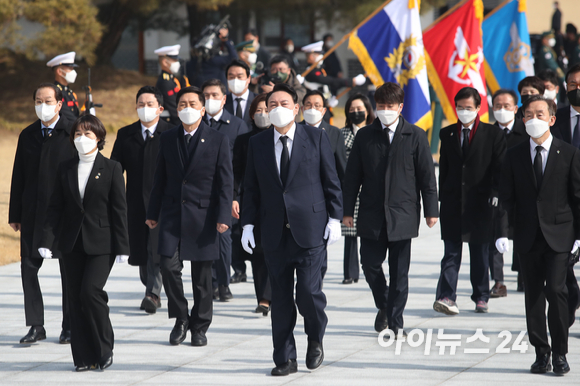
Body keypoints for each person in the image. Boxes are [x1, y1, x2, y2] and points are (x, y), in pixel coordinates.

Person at [241, 83, 342, 376]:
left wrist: (335, 218)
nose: (277, 109)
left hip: (310, 230)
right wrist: (247, 224)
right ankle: (285, 358)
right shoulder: (257, 144)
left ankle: (315, 337)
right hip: (273, 232)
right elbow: (251, 187)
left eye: (284, 103)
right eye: (272, 105)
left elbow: (330, 180)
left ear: (296, 108)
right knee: (282, 298)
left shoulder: (316, 137)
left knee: (308, 293)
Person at [343, 83, 438, 337]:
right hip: (371, 214)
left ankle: (396, 323)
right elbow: (352, 177)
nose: (385, 110)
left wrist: (432, 210)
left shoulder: (415, 135)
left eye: (390, 106)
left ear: (400, 107)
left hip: (402, 214)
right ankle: (384, 305)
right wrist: (347, 211)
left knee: (400, 273)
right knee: (370, 265)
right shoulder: (365, 136)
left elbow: (427, 177)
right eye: (381, 106)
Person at [496, 95, 579, 376]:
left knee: (556, 291)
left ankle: (560, 353)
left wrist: (578, 236)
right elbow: (507, 198)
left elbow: (577, 198)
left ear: (552, 119)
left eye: (540, 114)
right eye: (528, 115)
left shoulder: (568, 153)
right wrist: (502, 233)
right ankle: (541, 352)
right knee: (532, 295)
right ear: (522, 119)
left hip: (560, 235)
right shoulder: (514, 154)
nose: (534, 119)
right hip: (527, 234)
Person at [39, 114, 130, 371]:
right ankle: (83, 358)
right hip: (71, 243)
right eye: (78, 134)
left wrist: (123, 247)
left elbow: (119, 210)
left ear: (99, 138)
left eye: (88, 134)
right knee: (74, 300)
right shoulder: (65, 168)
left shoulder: (111, 168)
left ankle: (104, 347)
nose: (82, 139)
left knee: (90, 293)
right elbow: (55, 207)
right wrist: (47, 239)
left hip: (102, 243)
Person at [146, 86, 233, 347]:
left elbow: (225, 182)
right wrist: (153, 212)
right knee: (168, 267)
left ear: (203, 108)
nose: (187, 108)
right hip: (173, 215)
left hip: (204, 216)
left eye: (193, 103)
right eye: (182, 104)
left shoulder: (217, 139)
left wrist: (223, 215)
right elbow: (159, 177)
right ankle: (181, 318)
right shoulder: (169, 137)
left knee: (202, 278)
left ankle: (200, 326)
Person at [9, 83, 76, 345]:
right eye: (38, 100)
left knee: (68, 271)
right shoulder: (27, 134)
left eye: (48, 100)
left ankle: (69, 325)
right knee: (28, 268)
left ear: (60, 103)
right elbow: (18, 175)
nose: (42, 105)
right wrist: (15, 213)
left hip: (64, 214)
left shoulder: (72, 131)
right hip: (33, 213)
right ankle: (36, 325)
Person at [434, 87, 506, 315]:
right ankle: (447, 296)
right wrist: (441, 197)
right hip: (453, 202)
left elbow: (499, 169)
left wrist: (495, 194)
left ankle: (481, 296)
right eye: (460, 107)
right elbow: (444, 167)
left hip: (481, 203)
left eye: (468, 108)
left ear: (478, 108)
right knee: (451, 253)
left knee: (479, 253)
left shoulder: (492, 134)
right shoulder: (447, 133)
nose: (464, 111)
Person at [110, 86, 172, 314]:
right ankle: (151, 289)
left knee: (156, 249)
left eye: (150, 105)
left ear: (160, 108)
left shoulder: (171, 132)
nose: (145, 109)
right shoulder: (125, 134)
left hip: (163, 204)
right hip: (134, 204)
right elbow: (115, 168)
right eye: (140, 104)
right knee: (142, 252)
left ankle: (152, 294)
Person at [201, 78, 250, 298]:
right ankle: (210, 282)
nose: (209, 100)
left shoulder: (237, 125)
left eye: (214, 95)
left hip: (226, 191)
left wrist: (235, 195)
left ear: (224, 99)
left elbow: (242, 165)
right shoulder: (196, 123)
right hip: (201, 191)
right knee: (205, 237)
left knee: (223, 238)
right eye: (206, 96)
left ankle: (223, 282)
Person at [231, 93, 272, 313]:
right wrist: (235, 198)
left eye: (267, 110)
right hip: (252, 201)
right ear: (251, 114)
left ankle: (277, 292)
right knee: (258, 251)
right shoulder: (244, 141)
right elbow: (236, 173)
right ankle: (263, 298)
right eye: (259, 111)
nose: (263, 115)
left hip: (278, 202)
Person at [489, 89, 529, 297]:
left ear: (516, 108)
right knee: (495, 236)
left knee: (523, 235)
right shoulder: (487, 134)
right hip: (496, 192)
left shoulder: (526, 132)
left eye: (506, 106)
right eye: (497, 106)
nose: (502, 110)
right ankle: (498, 281)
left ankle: (523, 276)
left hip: (522, 191)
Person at [548, 63, 580, 327]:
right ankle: (570, 303)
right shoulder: (554, 119)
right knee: (563, 262)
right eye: (573, 85)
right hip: (563, 205)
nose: (577, 89)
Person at [339, 93, 375, 284]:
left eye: (360, 109)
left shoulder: (374, 132)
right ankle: (350, 273)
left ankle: (369, 269)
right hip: (349, 188)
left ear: (368, 110)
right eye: (352, 110)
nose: (356, 113)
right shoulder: (341, 134)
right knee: (349, 234)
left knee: (368, 233)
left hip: (370, 189)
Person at [154, 45, 191, 126]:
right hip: (170, 122)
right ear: (165, 62)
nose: (177, 63)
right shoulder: (165, 82)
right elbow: (173, 106)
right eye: (174, 60)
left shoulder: (171, 79)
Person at [47, 52, 80, 123]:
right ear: (60, 72)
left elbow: (75, 114)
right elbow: (66, 115)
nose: (73, 72)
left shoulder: (68, 91)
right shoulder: (55, 92)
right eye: (70, 69)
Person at [224, 59, 256, 126]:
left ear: (248, 79)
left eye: (239, 77)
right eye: (231, 77)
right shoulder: (223, 102)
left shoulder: (257, 100)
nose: (235, 80)